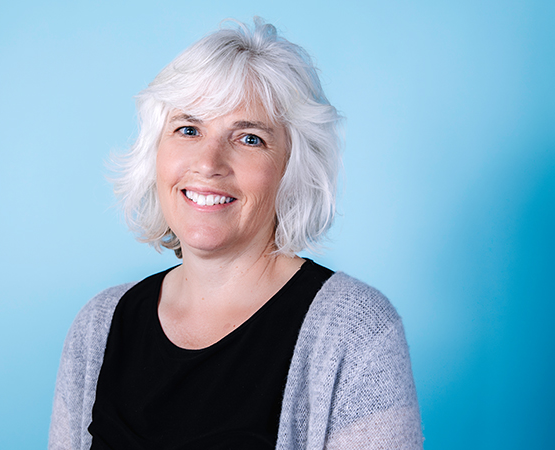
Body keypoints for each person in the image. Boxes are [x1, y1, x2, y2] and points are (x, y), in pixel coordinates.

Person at [49, 19, 423, 450]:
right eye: (188, 130)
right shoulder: (98, 325)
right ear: (155, 153)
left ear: (291, 169)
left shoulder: (356, 333)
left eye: (249, 138)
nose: (209, 163)